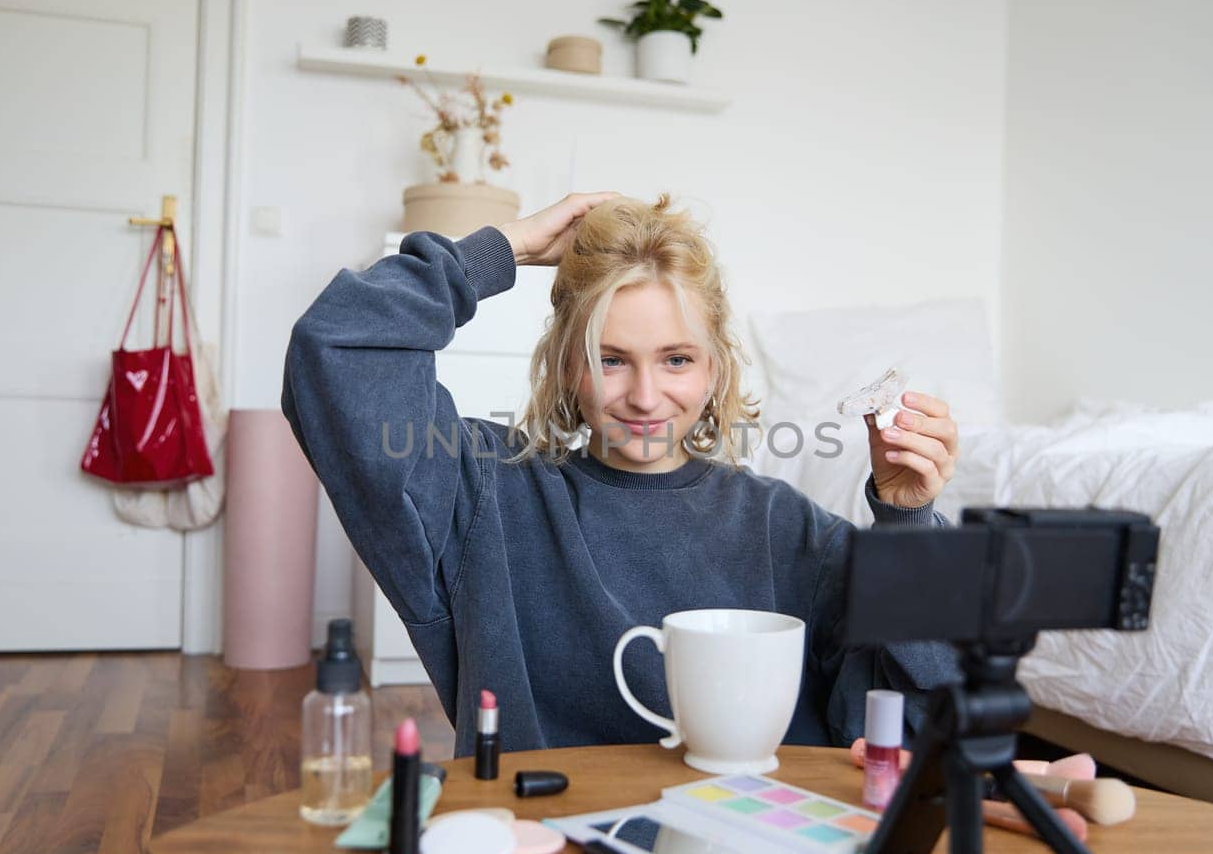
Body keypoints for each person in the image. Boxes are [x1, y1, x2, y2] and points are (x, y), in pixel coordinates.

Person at [282, 193, 960, 757]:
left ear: (715, 367)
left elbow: (910, 721)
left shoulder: (789, 531)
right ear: (565, 368)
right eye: (610, 359)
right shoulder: (485, 496)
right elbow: (336, 348)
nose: (643, 396)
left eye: (675, 359)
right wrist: (501, 249)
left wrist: (905, 524)